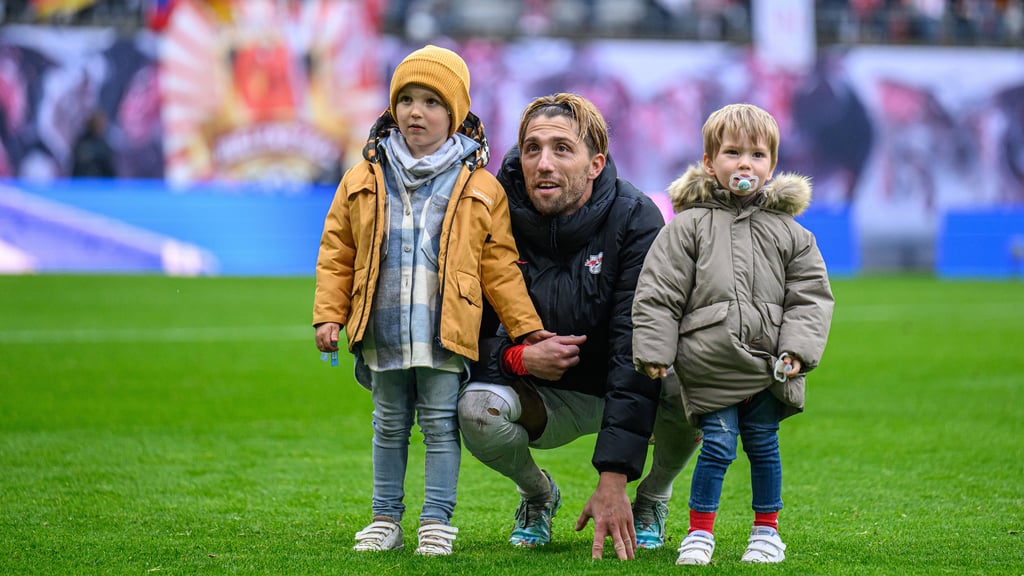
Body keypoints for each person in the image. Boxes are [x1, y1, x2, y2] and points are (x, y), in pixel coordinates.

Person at [312, 45, 544, 557]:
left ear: (456, 114)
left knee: (441, 426)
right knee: (389, 424)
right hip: (383, 327)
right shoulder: (362, 176)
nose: (417, 112)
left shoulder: (481, 186)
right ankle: (384, 519)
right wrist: (330, 314)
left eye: (433, 102)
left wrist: (525, 328)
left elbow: (500, 267)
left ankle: (436, 522)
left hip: (446, 331)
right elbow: (337, 251)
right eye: (408, 100)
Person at [457, 92, 701, 561]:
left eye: (562, 149)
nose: (543, 163)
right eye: (533, 148)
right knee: (475, 408)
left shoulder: (635, 217)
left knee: (692, 383)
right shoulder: (491, 212)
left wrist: (614, 480)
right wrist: (517, 356)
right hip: (541, 391)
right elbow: (465, 330)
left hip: (621, 382)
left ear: (595, 163)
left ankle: (652, 497)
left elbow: (639, 341)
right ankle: (538, 494)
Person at [631, 103, 835, 565]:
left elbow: (811, 296)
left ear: (771, 166)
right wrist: (654, 350)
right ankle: (700, 533)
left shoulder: (792, 234)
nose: (745, 163)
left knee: (764, 445)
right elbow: (659, 292)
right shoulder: (687, 228)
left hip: (770, 365)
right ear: (709, 161)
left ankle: (767, 532)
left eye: (757, 155)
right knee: (718, 445)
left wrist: (797, 350)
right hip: (709, 361)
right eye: (732, 152)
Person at [71, 110, 116, 178]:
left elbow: (108, 168)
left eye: (103, 123)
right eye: (99, 123)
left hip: (103, 184)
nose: (102, 126)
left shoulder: (104, 142)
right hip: (83, 182)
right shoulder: (82, 142)